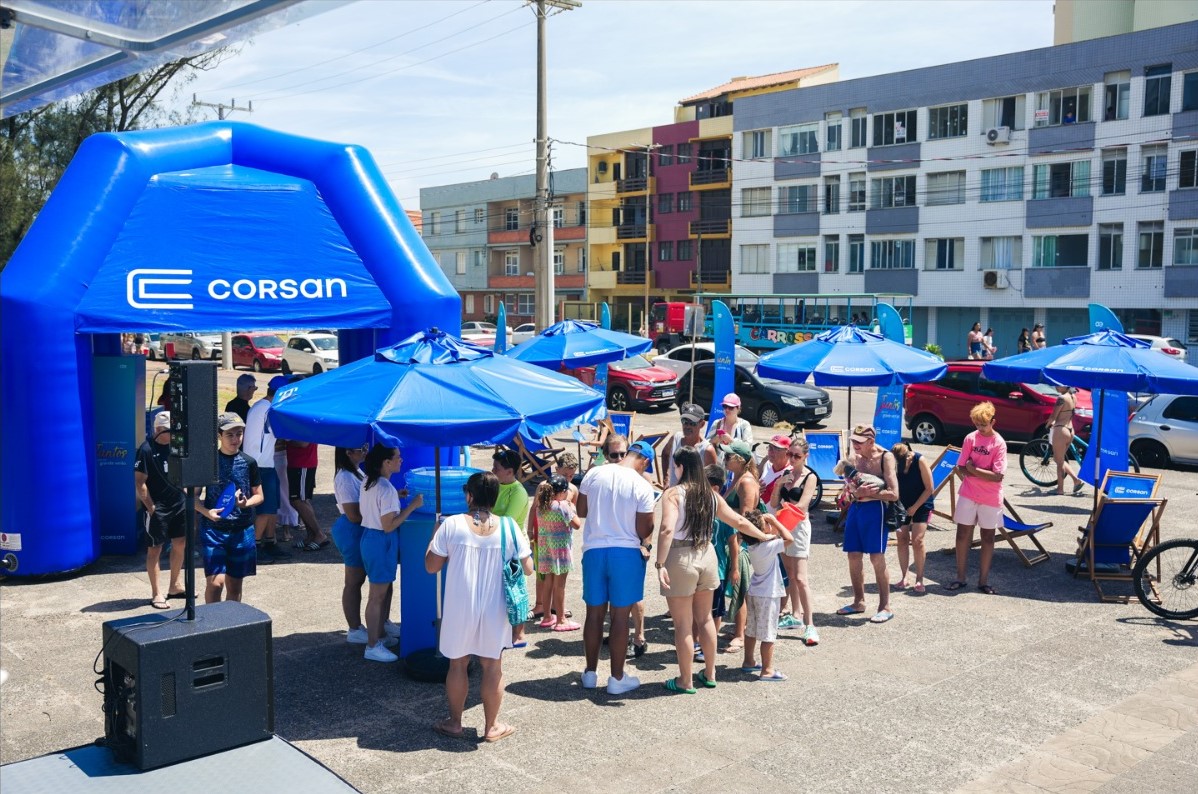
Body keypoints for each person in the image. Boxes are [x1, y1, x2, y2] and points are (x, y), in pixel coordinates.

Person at [426, 471, 532, 743]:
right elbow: (528, 569)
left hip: (460, 606)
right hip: (495, 608)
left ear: (469, 496)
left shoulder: (451, 525)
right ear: (495, 498)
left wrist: (433, 536)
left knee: (457, 665)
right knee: (492, 666)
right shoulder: (509, 527)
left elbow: (431, 566)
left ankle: (455, 722)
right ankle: (491, 726)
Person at [656, 446, 770, 693]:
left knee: (684, 625)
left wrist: (659, 563)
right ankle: (710, 672)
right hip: (707, 555)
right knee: (706, 618)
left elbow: (666, 530)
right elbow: (739, 521)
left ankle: (685, 680)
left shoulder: (673, 494)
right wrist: (762, 535)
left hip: (681, 555)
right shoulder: (711, 495)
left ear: (681, 467)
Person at [577, 438, 656, 695]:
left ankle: (590, 673)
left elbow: (582, 509)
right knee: (620, 617)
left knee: (594, 614)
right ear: (643, 461)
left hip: (594, 549)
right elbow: (645, 529)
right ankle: (617, 678)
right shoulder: (641, 485)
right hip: (625, 552)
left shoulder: (595, 472)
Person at [359, 444, 423, 662]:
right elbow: (389, 525)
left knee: (380, 592)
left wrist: (396, 495)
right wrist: (412, 506)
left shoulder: (371, 482)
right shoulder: (385, 489)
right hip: (381, 540)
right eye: (397, 457)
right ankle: (372, 645)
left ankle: (378, 636)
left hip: (371, 538)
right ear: (386, 462)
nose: (401, 460)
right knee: (377, 596)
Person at [195, 413, 264, 604]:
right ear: (219, 435)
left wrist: (245, 503)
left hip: (242, 531)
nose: (235, 439)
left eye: (239, 434)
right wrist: (205, 512)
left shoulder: (249, 462)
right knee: (216, 584)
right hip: (213, 530)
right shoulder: (210, 462)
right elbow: (192, 497)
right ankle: (211, 625)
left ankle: (231, 626)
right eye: (230, 435)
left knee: (235, 586)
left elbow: (259, 495)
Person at [835, 425, 899, 623]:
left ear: (871, 442)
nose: (854, 445)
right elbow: (847, 483)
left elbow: (894, 494)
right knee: (853, 556)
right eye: (853, 440)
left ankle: (885, 606)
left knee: (876, 558)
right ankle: (858, 601)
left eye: (859, 442)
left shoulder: (885, 457)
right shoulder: (854, 456)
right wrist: (853, 493)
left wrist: (869, 493)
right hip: (856, 508)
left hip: (875, 509)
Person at [946, 402, 1007, 595]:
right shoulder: (970, 438)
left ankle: (983, 581)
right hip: (969, 493)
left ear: (993, 421)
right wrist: (980, 472)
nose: (980, 428)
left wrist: (974, 470)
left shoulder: (999, 443)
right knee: (962, 534)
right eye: (977, 424)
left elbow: (998, 475)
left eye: (983, 424)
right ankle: (960, 577)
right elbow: (961, 466)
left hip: (990, 496)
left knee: (988, 537)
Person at [768, 437, 820, 645]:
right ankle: (796, 616)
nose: (792, 458)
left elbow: (803, 506)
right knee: (789, 575)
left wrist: (782, 512)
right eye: (789, 454)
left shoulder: (810, 477)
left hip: (797, 528)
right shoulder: (786, 474)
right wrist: (779, 484)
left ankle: (810, 625)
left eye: (797, 456)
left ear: (806, 456)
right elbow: (773, 502)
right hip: (784, 525)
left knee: (800, 578)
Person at [135, 411, 187, 609]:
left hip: (178, 504)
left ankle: (175, 585)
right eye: (170, 431)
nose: (175, 434)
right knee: (154, 549)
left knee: (180, 543)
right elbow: (140, 482)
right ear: (158, 430)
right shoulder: (146, 450)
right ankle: (156, 593)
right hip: (158, 508)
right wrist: (151, 507)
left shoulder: (177, 447)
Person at [739, 510, 795, 682]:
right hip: (768, 595)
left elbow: (776, 537)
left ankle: (748, 660)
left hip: (755, 591)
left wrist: (769, 525)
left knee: (752, 629)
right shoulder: (769, 546)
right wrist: (776, 521)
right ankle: (767, 670)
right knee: (769, 633)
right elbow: (789, 539)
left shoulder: (753, 546)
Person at [243, 375, 289, 562]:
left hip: (264, 463)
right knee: (265, 509)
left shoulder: (260, 406)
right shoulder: (268, 409)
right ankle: (253, 546)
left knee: (271, 508)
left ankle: (270, 541)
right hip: (260, 465)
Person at [492, 448, 531, 647]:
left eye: (496, 468)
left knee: (515, 590)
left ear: (510, 471)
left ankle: (519, 633)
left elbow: (508, 520)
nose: (493, 471)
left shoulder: (519, 492)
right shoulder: (496, 485)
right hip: (497, 542)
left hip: (514, 546)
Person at [533, 475, 581, 632]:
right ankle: (561, 619)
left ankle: (547, 616)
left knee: (547, 583)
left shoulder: (541, 506)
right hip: (560, 550)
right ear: (562, 492)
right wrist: (571, 507)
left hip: (545, 549)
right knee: (560, 585)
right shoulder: (562, 506)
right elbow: (577, 524)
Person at [332, 446, 371, 644]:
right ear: (348, 452)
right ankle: (354, 628)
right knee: (354, 581)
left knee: (360, 579)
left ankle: (372, 623)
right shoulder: (345, 477)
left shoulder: (356, 470)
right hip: (351, 529)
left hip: (359, 528)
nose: (365, 451)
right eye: (360, 449)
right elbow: (353, 515)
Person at [891, 442, 935, 594]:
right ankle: (904, 577)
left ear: (909, 454)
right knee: (902, 539)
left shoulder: (919, 460)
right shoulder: (894, 461)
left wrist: (915, 507)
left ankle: (920, 579)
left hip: (922, 502)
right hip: (902, 503)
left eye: (908, 458)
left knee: (917, 540)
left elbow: (930, 488)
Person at [704, 464, 740, 645]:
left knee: (716, 610)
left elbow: (733, 542)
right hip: (701, 568)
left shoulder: (724, 512)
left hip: (718, 570)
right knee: (700, 609)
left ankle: (711, 643)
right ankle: (699, 641)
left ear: (715, 488)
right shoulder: (699, 508)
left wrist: (734, 568)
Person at [286, 434, 328, 551]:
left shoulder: (303, 419)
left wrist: (286, 438)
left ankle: (319, 534)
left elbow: (303, 443)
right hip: (298, 463)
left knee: (300, 501)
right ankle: (311, 535)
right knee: (297, 500)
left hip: (303, 463)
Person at [663, 403, 717, 485]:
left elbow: (712, 481)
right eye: (684, 421)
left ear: (702, 424)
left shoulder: (707, 450)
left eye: (692, 423)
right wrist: (666, 478)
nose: (687, 426)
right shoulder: (675, 438)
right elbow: (665, 454)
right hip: (673, 494)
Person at [1048, 386, 1085, 495]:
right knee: (1059, 458)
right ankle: (1076, 480)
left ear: (1065, 386)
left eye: (1058, 384)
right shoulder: (1073, 397)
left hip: (1061, 430)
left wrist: (1047, 425)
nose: (1056, 386)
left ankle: (1060, 489)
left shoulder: (1061, 398)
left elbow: (1053, 416)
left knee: (1059, 462)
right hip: (1070, 429)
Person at [758, 434, 793, 507]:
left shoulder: (792, 472)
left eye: (776, 449)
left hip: (776, 517)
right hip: (758, 514)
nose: (770, 452)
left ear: (787, 452)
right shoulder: (765, 463)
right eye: (770, 448)